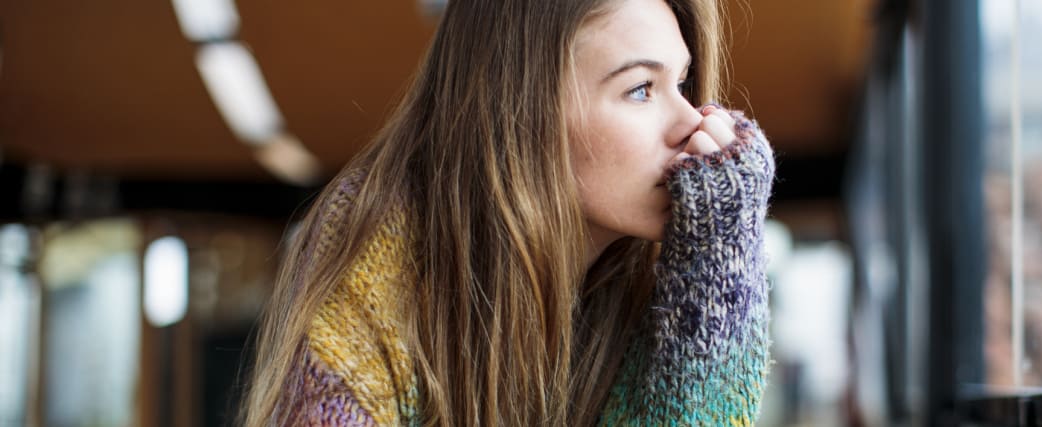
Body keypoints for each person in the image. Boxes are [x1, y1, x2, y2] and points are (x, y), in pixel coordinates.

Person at [240, 0, 775, 424]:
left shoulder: (668, 276)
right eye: (640, 89)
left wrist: (722, 252)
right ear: (523, 114)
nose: (693, 123)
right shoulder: (381, 253)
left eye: (681, 84)